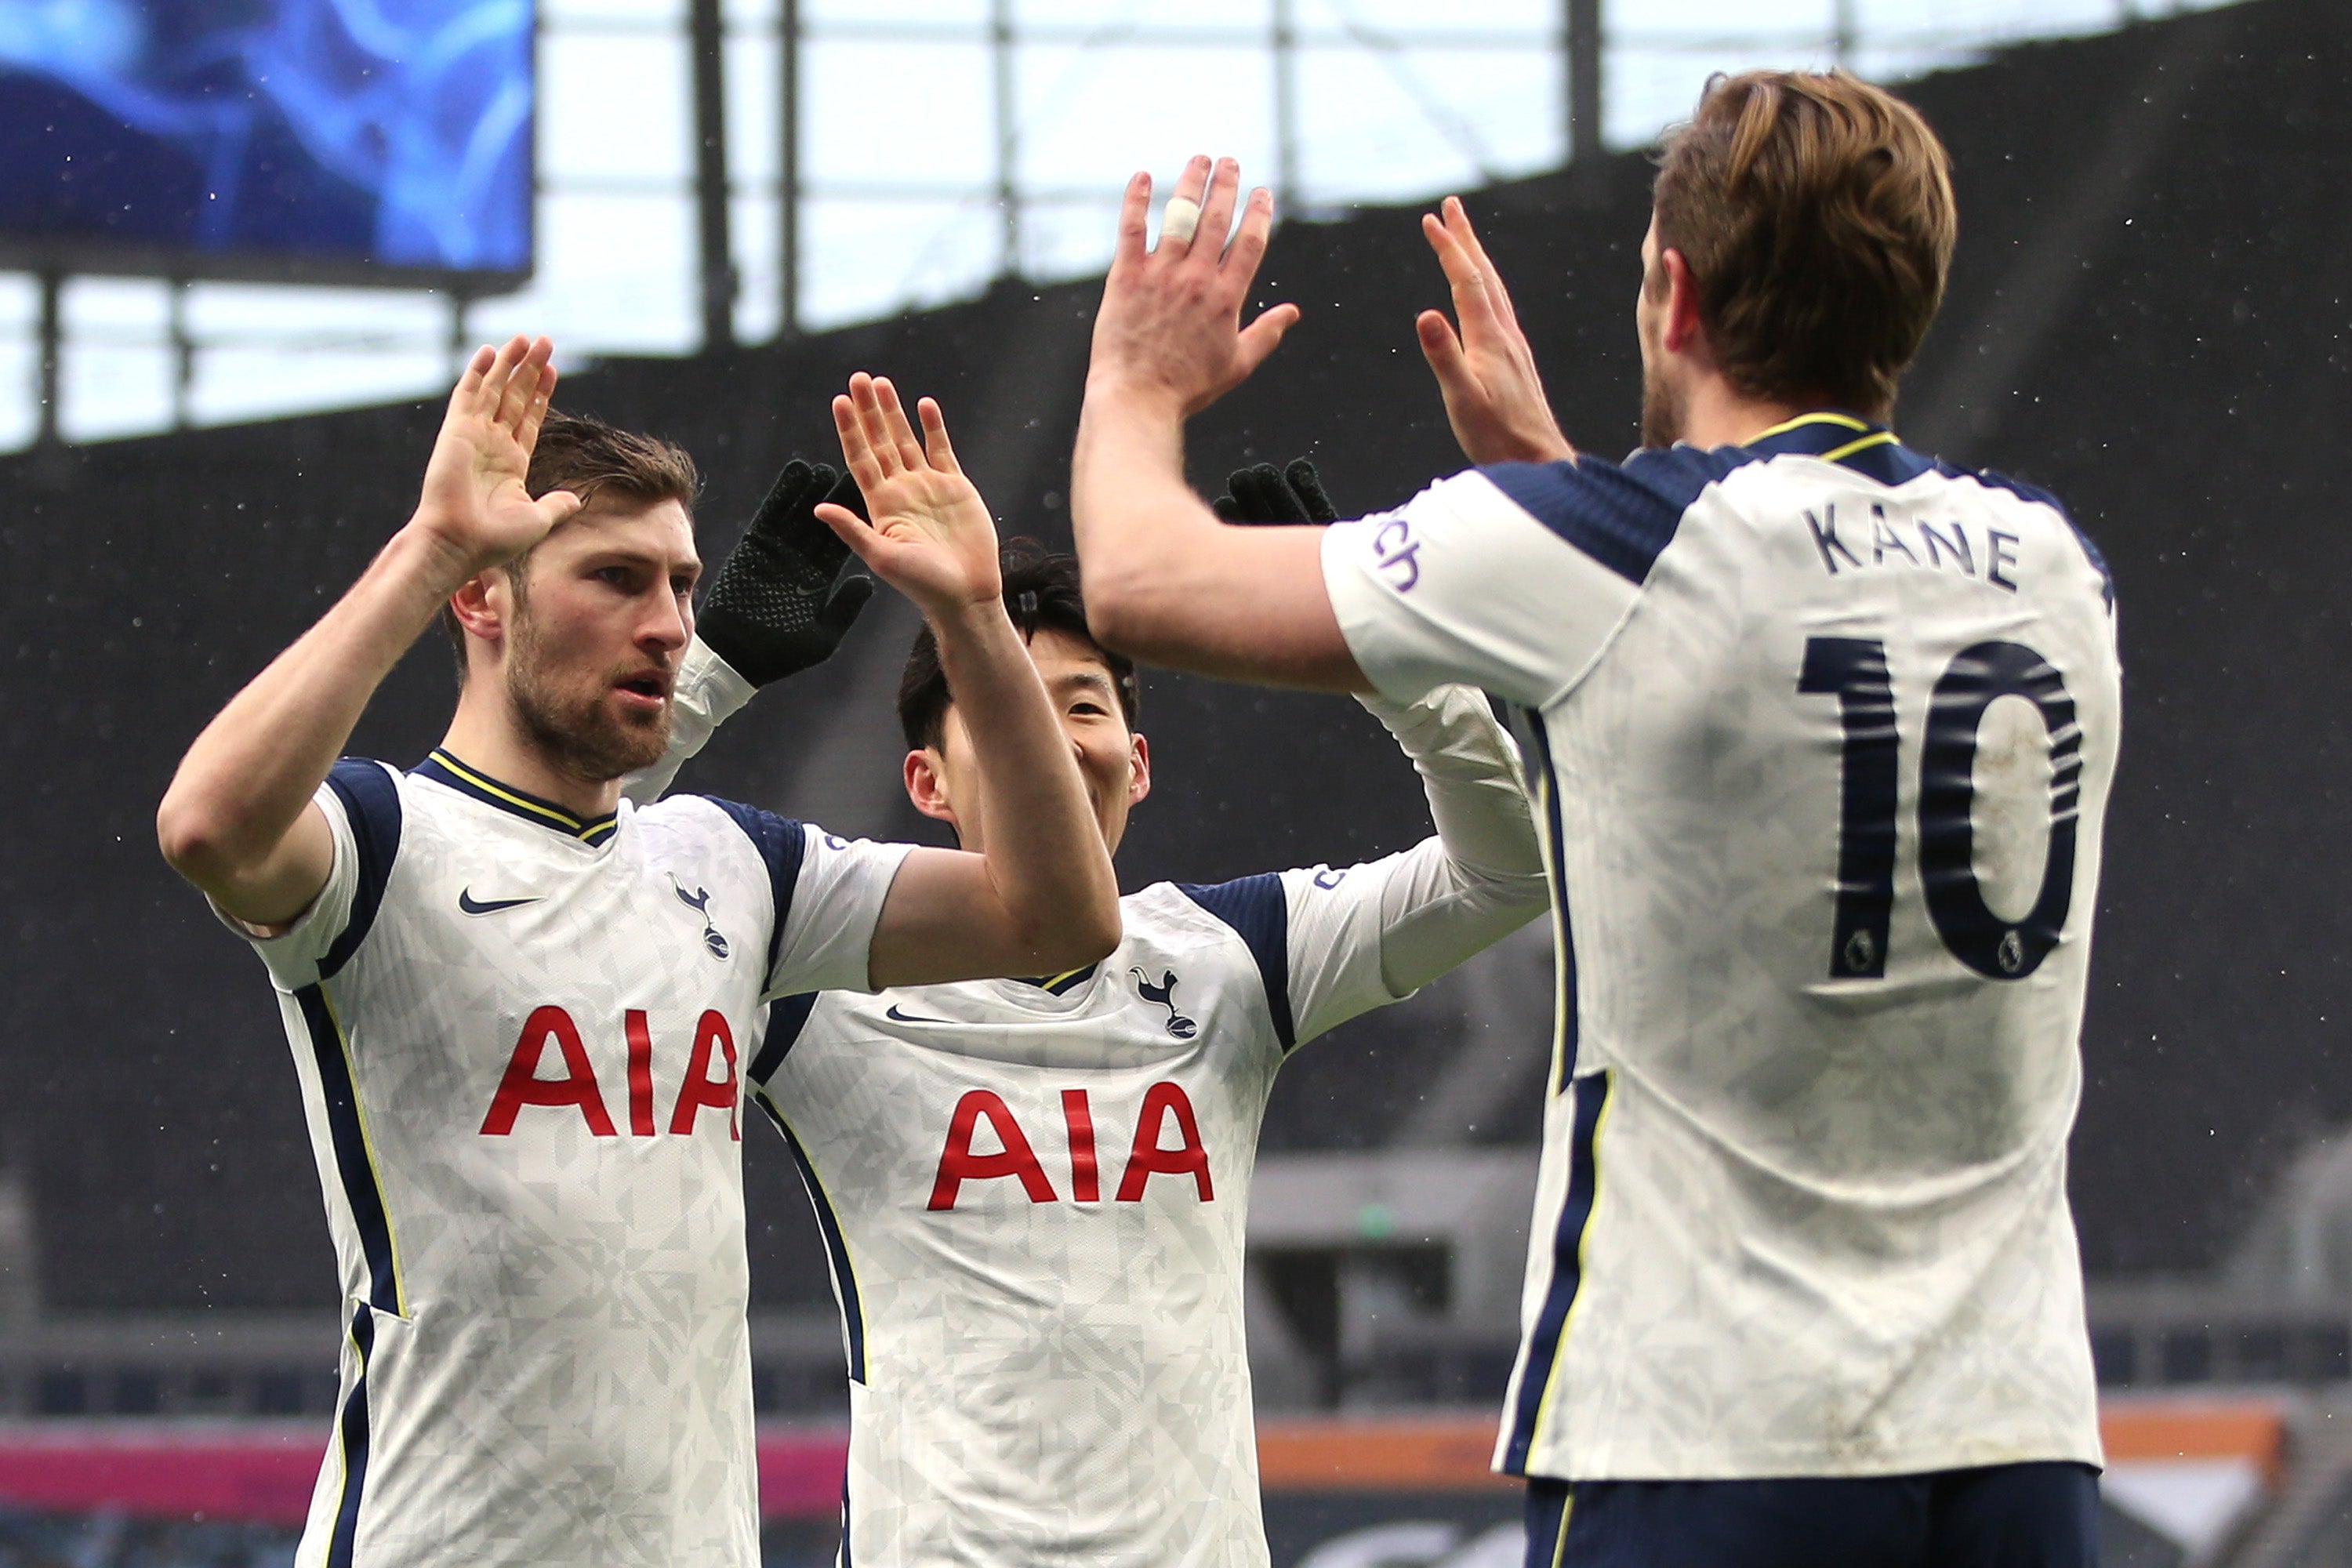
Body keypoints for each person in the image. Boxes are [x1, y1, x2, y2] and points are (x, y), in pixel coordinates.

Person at [1069, 71, 2119, 1568]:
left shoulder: (1612, 551)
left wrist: (1136, 378)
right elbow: (1767, 647)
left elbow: (1139, 584)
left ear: (1676, 297)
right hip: (2011, 1438)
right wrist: (1552, 481)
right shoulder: (2050, 569)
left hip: (1710, 1434)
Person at [154, 341, 1120, 1567]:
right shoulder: (382, 839)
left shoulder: (733, 867)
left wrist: (975, 620)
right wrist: (429, 547)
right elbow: (206, 824)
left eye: (679, 584)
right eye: (616, 578)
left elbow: (1059, 917)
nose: (668, 624)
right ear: (483, 597)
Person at [636, 452, 1548, 1567]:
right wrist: (710, 676)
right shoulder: (817, 981)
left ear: (1140, 760)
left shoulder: (1237, 959)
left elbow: (1510, 872)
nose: (1054, 737)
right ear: (928, 783)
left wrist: (1389, 661)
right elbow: (573, 874)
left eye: (1080, 702)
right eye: (1002, 703)